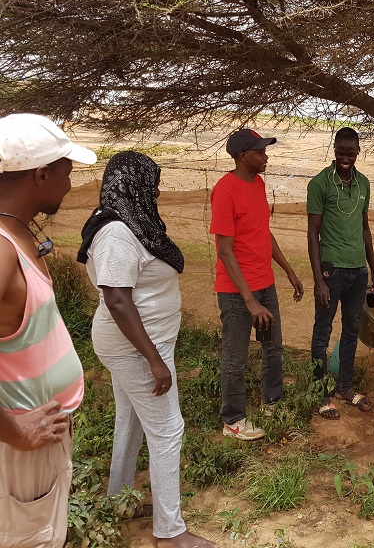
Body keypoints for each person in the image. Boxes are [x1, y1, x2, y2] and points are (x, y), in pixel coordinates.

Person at [77, 151, 214, 548]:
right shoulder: (117, 232)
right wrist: (154, 359)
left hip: (141, 343)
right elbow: (118, 299)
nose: (157, 189)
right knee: (169, 429)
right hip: (135, 349)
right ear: (132, 183)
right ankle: (170, 533)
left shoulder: (131, 224)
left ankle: (118, 500)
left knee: (133, 419)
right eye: (151, 181)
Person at [0, 113, 96, 547]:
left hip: (42, 438)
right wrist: (15, 432)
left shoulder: (17, 233)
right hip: (21, 447)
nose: (71, 184)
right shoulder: (1, 252)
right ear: (40, 174)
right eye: (67, 171)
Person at [210, 129, 303, 440]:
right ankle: (233, 421)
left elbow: (263, 233)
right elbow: (225, 251)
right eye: (260, 152)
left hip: (265, 285)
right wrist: (250, 300)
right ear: (242, 156)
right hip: (237, 293)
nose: (266, 156)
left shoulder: (259, 184)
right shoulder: (225, 191)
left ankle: (271, 402)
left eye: (265, 151)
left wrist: (288, 270)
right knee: (236, 357)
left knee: (273, 347)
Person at [307, 127, 374, 419]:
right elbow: (313, 234)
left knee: (351, 331)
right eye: (340, 153)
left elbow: (364, 229)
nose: (345, 158)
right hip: (331, 271)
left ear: (358, 152)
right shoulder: (320, 184)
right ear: (334, 150)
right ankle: (320, 392)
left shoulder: (363, 184)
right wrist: (317, 280)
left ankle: (345, 388)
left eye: (350, 153)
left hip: (357, 272)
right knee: (322, 332)